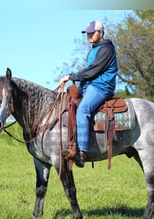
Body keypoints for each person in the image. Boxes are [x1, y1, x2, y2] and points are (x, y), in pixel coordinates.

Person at [59, 20, 118, 167]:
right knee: (68, 104)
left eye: (92, 33)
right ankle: (70, 142)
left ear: (101, 33)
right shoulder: (94, 49)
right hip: (89, 86)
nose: (89, 36)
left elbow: (93, 71)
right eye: (87, 33)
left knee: (83, 110)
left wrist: (71, 76)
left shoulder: (106, 49)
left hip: (101, 87)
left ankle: (81, 152)